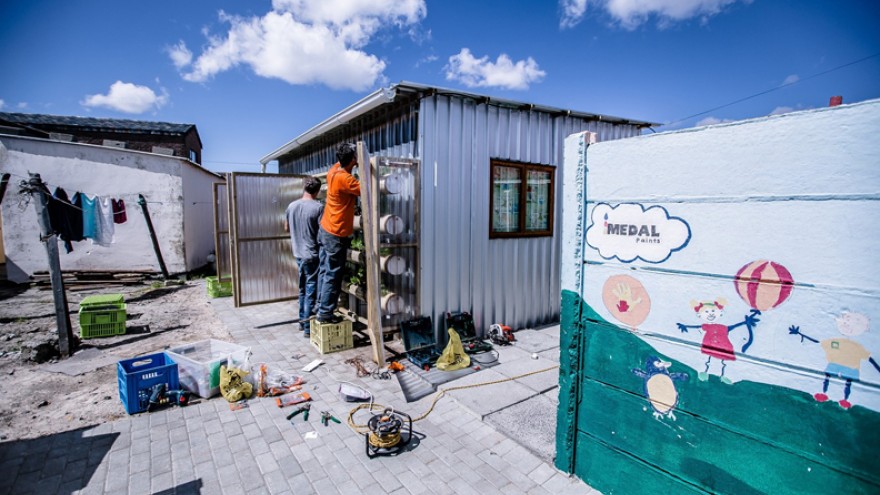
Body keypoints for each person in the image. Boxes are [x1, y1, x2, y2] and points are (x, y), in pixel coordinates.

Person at [316, 143, 360, 324]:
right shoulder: (345, 179)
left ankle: (320, 306)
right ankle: (325, 314)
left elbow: (343, 163)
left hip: (325, 228)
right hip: (336, 232)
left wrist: (353, 161)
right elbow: (366, 188)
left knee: (325, 270)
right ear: (352, 160)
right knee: (333, 274)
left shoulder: (333, 170)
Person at [284, 177, 324, 337]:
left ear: (304, 188)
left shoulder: (291, 206)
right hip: (312, 254)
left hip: (298, 252)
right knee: (311, 289)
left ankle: (302, 322)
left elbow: (286, 228)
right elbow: (323, 232)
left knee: (302, 287)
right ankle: (308, 328)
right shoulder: (318, 207)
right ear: (318, 190)